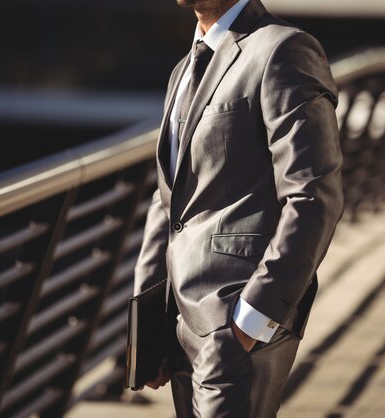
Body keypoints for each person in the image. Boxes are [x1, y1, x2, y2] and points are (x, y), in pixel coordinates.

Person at [133, 0, 343, 416]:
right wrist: (150, 329)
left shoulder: (284, 49)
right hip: (182, 324)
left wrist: (251, 321)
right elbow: (169, 205)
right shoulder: (183, 69)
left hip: (236, 322)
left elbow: (314, 194)